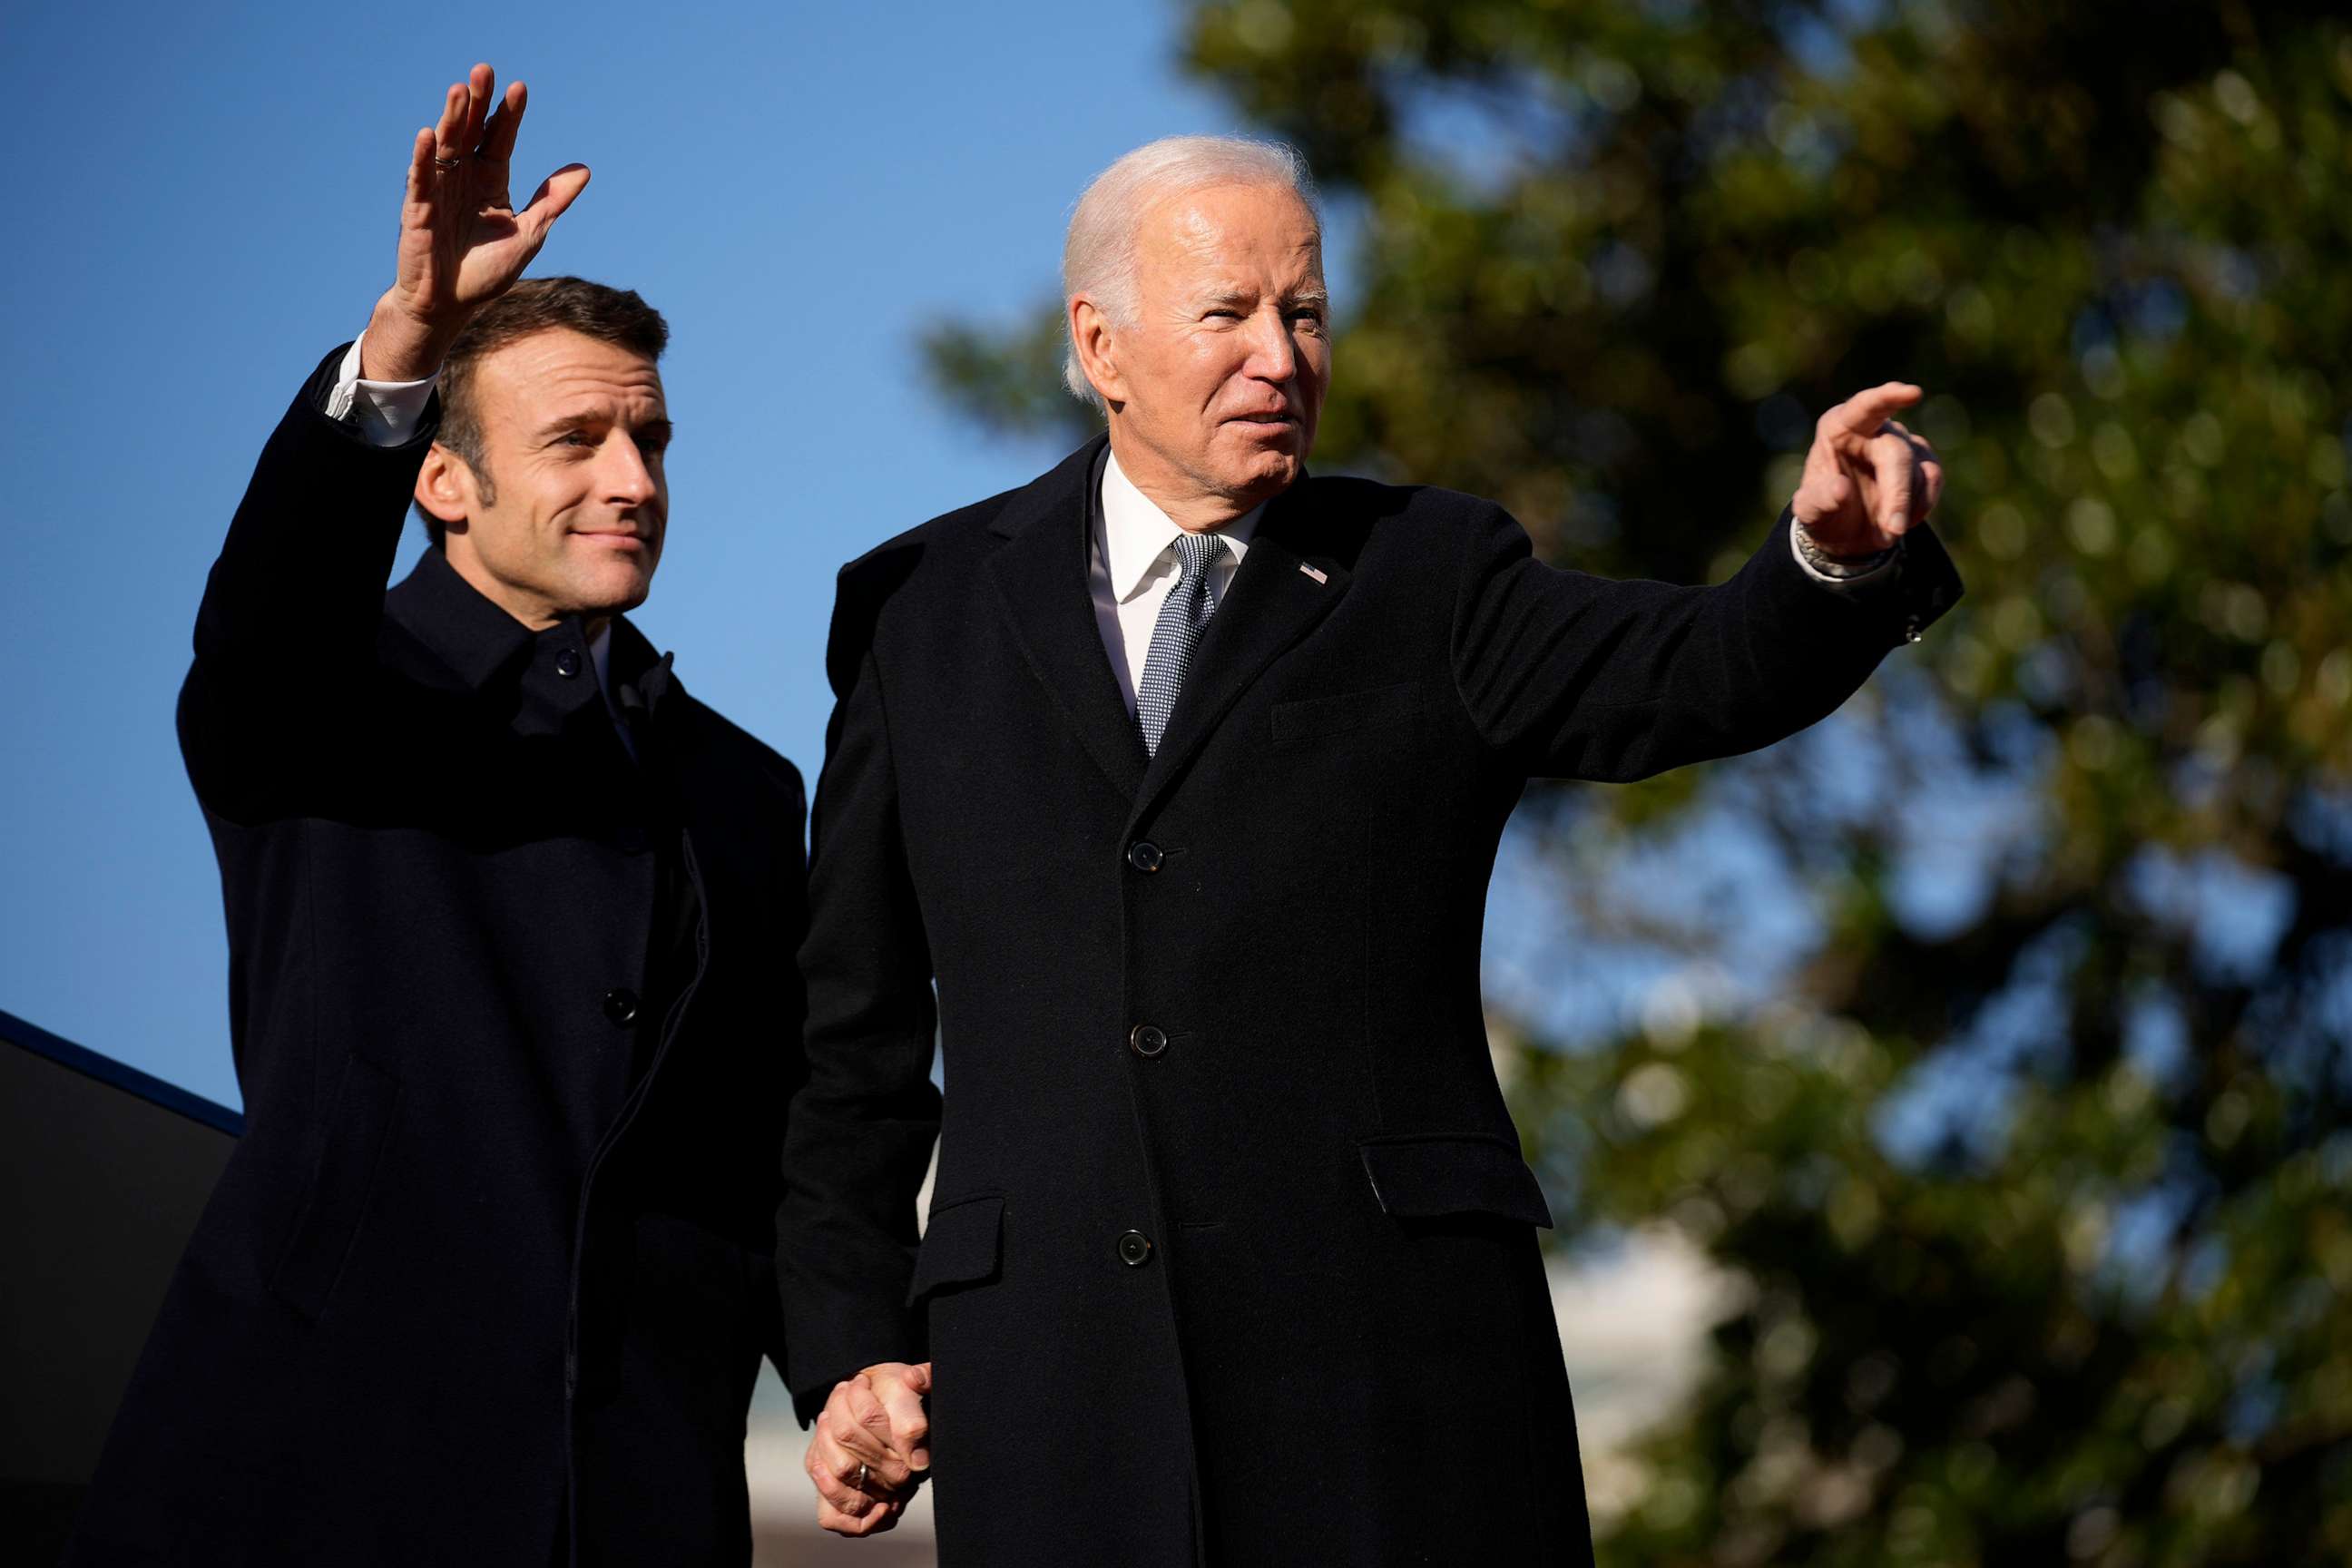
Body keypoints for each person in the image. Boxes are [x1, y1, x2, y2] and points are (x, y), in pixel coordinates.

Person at [779, 135, 1963, 1563]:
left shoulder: (1433, 575)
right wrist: (848, 1349)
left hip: (1394, 1401)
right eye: (1228, 314)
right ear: (1101, 342)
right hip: (1055, 1403)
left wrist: (1825, 560)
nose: (1280, 354)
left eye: (1307, 312)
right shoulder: (927, 614)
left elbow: (1692, 667)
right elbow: (848, 1049)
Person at [71, 64, 808, 1566]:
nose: (634, 481)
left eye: (650, 440)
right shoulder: (320, 699)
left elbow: (768, 1138)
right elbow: (267, 610)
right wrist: (404, 335)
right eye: (577, 442)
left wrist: (848, 1366)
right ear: (443, 483)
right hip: (310, 1478)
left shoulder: (744, 785)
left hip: (638, 1498)